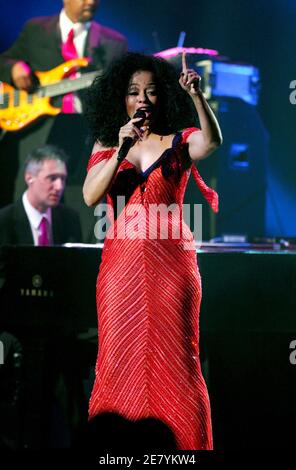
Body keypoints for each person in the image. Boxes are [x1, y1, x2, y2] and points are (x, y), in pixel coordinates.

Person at [82, 51, 223, 450]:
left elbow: (211, 142)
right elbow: (92, 195)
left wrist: (198, 97)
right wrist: (121, 150)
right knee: (118, 359)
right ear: (120, 99)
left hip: (171, 268)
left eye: (150, 92)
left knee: (177, 362)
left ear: (164, 98)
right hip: (120, 271)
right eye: (132, 92)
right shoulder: (109, 142)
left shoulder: (178, 140)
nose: (142, 99)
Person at [0, 0, 128, 242]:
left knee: (82, 209)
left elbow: (119, 95)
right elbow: (4, 61)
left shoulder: (114, 42)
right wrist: (15, 67)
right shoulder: (36, 29)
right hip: (36, 131)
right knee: (27, 211)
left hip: (85, 134)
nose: (90, 2)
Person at [0, 144, 82, 245]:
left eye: (63, 179)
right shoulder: (4, 221)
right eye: (52, 178)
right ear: (29, 178)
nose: (59, 186)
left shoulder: (70, 219)